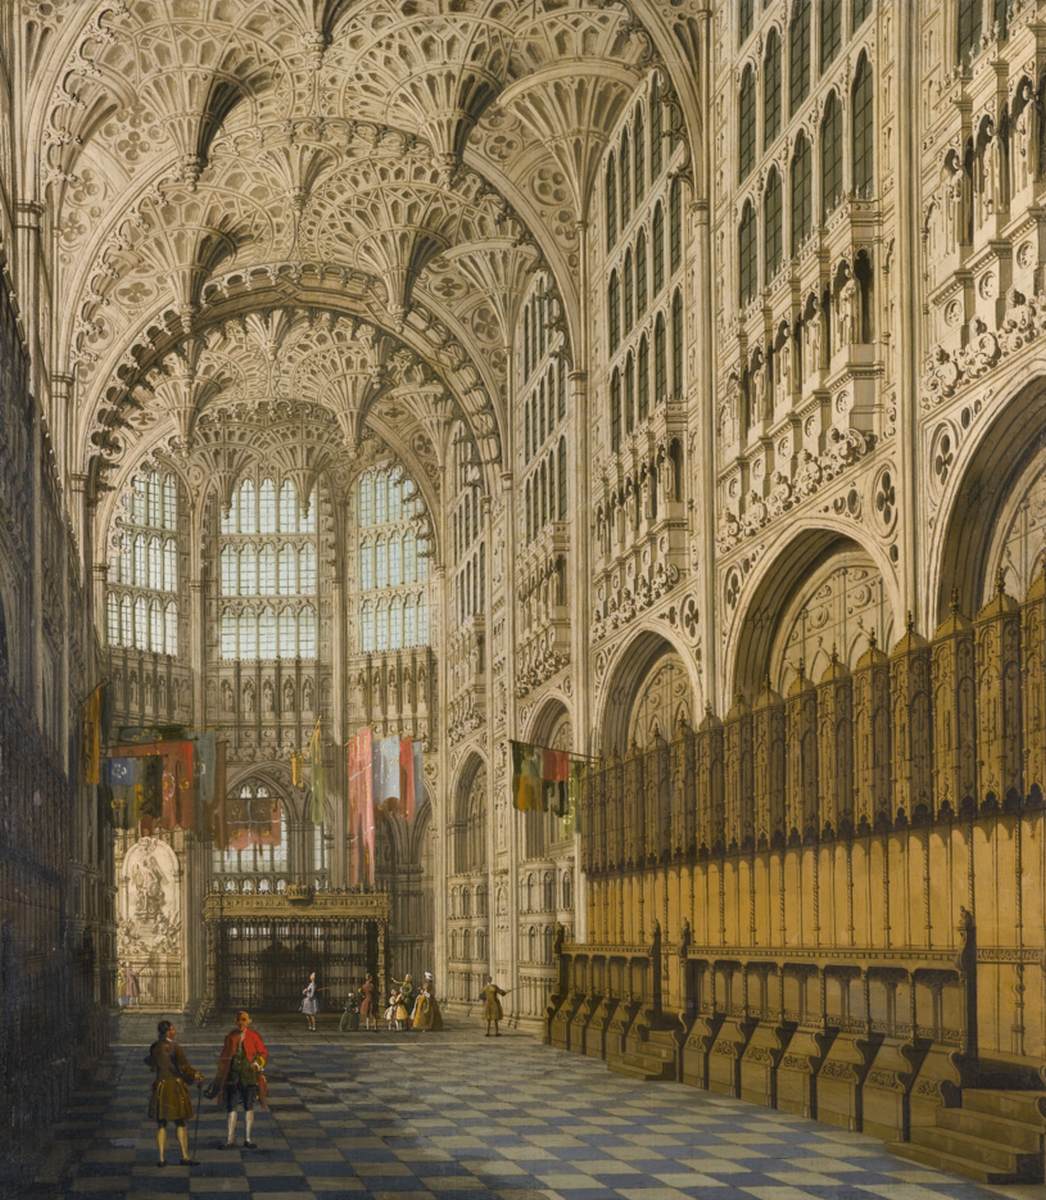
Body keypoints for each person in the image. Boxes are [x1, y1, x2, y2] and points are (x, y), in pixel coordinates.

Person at [145, 1019, 203, 1167]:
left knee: (162, 1124)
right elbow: (184, 1068)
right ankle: (184, 1156)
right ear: (168, 1032)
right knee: (180, 1122)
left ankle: (161, 1159)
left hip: (160, 1087)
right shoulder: (175, 1047)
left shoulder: (155, 1046)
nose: (175, 1031)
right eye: (172, 1029)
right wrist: (196, 1075)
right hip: (174, 1088)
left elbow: (150, 1062)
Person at [209, 1009, 269, 1149]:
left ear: (249, 1021)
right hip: (233, 1077)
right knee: (231, 1107)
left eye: (244, 1020)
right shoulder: (231, 1036)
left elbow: (263, 1053)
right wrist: (221, 1072)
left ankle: (248, 1139)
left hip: (249, 1077)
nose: (241, 1023)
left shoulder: (254, 1036)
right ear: (235, 1022)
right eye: (239, 1020)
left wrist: (257, 1063)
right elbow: (224, 1056)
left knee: (249, 1107)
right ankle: (230, 1140)